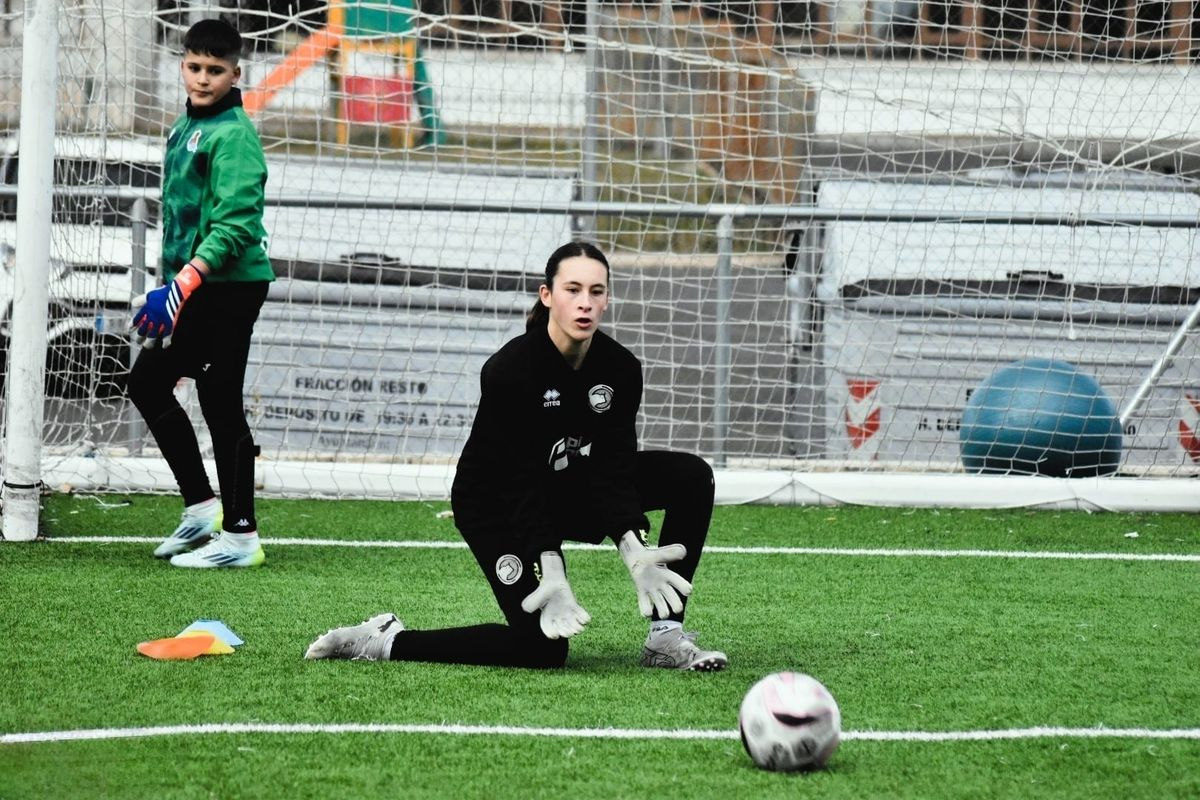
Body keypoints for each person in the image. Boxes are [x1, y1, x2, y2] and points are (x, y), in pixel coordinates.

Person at [305, 242, 727, 671]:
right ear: (547, 296)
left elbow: (612, 469)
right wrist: (551, 566)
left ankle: (665, 638)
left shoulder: (621, 369)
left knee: (691, 476)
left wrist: (633, 548)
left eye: (596, 292)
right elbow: (520, 485)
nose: (585, 303)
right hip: (496, 505)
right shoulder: (510, 371)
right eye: (573, 289)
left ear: (607, 298)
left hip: (569, 484)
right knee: (541, 650)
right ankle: (386, 640)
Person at [128, 18, 273, 568]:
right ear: (181, 65)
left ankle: (240, 537)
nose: (204, 78)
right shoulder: (183, 125)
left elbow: (235, 227)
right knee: (146, 381)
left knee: (219, 400)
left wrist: (182, 285)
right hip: (195, 287)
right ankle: (201, 508)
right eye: (194, 67)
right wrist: (173, 287)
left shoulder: (235, 134)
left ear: (237, 73)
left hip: (230, 288)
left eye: (216, 70)